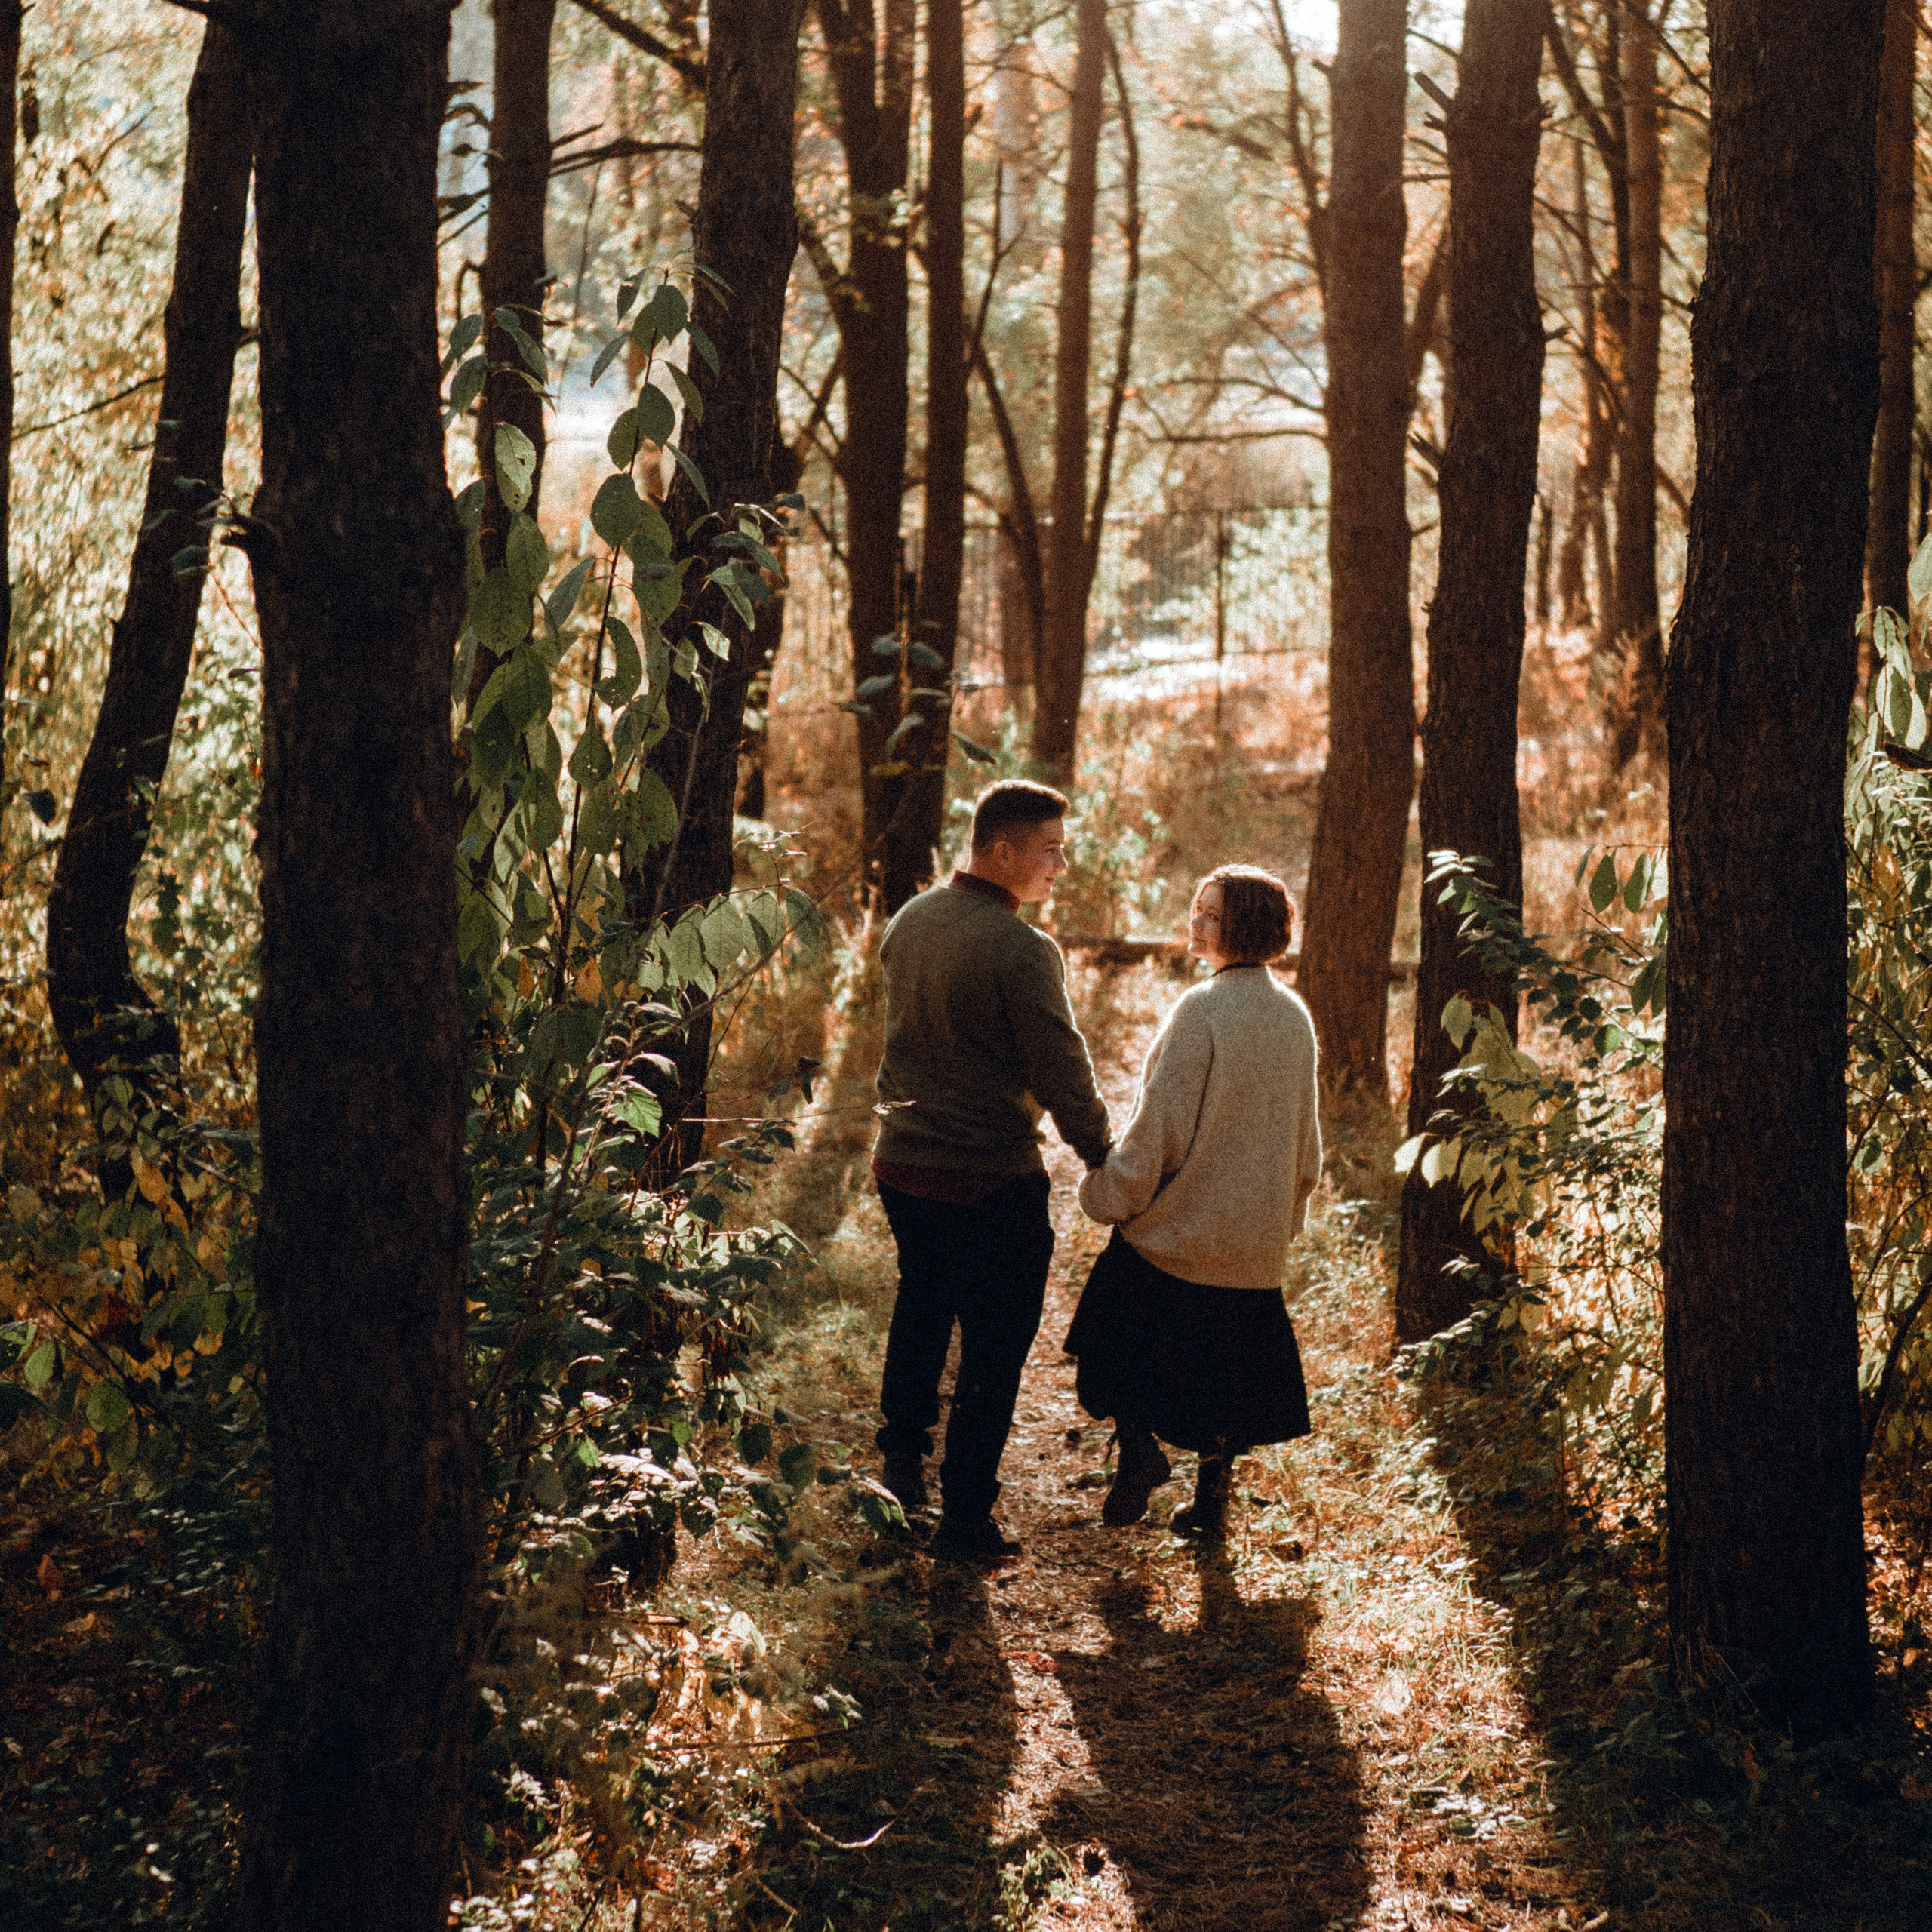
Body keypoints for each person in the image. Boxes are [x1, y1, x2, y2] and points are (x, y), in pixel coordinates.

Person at [871, 779, 1112, 1562]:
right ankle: (965, 1516)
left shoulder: (910, 920)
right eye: (1050, 851)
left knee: (921, 1308)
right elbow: (1060, 1070)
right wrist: (1106, 1156)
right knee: (993, 1348)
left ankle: (899, 1473)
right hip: (986, 1179)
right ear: (1001, 851)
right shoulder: (1021, 948)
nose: (1061, 866)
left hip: (902, 1166)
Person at [1065, 864, 1321, 1540]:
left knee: (1109, 1336)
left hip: (1180, 1241)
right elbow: (1308, 1148)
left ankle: (1141, 1454)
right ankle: (1211, 1504)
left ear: (1243, 927)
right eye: (1196, 908)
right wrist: (1279, 1224)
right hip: (1253, 1250)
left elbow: (1159, 1131)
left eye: (1210, 914)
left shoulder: (1201, 1011)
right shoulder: (1294, 1017)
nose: (1194, 922)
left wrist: (1107, 1194)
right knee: (1229, 1380)